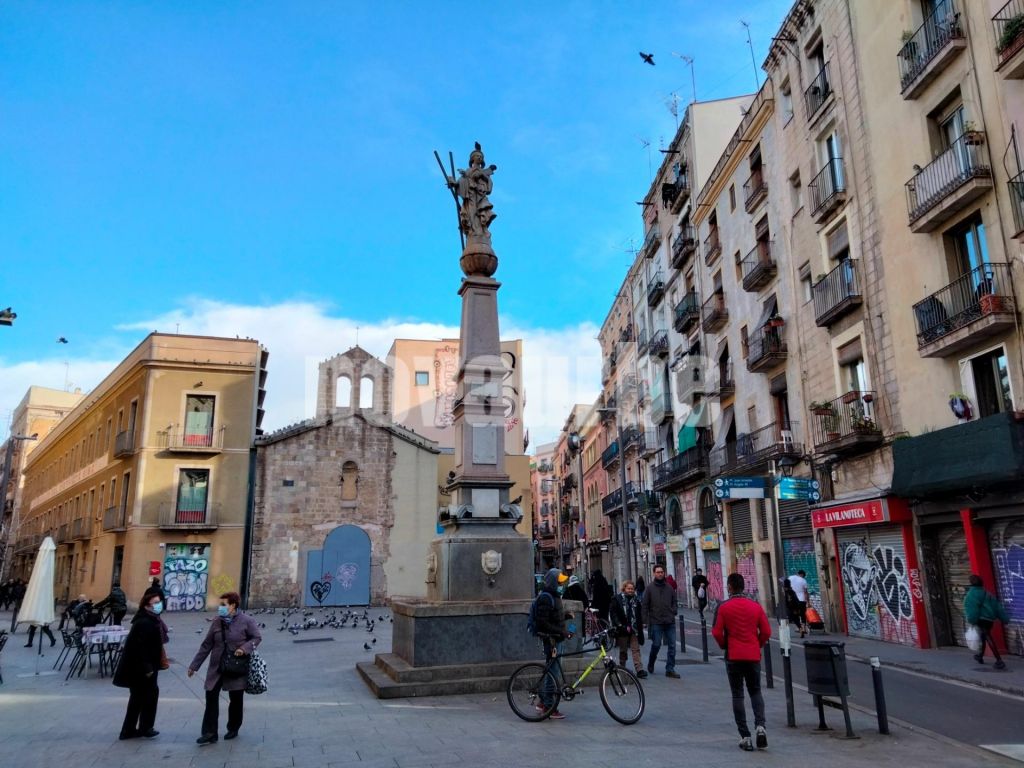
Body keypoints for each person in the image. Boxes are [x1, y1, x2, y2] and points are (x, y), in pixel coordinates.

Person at [188, 592, 262, 744]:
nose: (220, 608)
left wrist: (244, 648)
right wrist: (194, 666)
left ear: (233, 605)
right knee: (211, 696)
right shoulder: (217, 622)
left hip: (236, 666)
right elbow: (207, 644)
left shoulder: (247, 621)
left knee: (235, 699)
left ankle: (233, 727)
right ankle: (210, 733)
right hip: (217, 666)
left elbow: (257, 637)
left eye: (223, 605)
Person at [712, 572, 771, 751]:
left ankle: (745, 736)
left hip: (734, 657)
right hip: (753, 656)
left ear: (729, 587)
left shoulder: (724, 607)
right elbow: (767, 631)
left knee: (738, 695)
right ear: (743, 586)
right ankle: (760, 726)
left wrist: (725, 645)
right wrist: (757, 644)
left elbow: (716, 632)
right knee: (755, 692)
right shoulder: (755, 606)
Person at [113, 592, 165, 740]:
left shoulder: (149, 619)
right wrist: (148, 667)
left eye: (159, 601)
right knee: (142, 697)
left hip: (144, 667)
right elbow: (140, 647)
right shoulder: (144, 622)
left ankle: (138, 728)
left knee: (142, 697)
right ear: (146, 606)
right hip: (142, 669)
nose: (158, 604)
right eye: (155, 602)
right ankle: (139, 729)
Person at [533, 568, 570, 720]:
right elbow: (543, 622)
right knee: (553, 672)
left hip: (556, 638)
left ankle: (543, 702)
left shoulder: (554, 596)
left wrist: (565, 616)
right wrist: (561, 632)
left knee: (550, 671)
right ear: (553, 582)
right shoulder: (546, 597)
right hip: (552, 640)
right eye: (559, 581)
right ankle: (549, 706)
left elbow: (551, 616)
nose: (561, 584)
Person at [964, 574, 1009, 670]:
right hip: (990, 620)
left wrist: (972, 620)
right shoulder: (987, 593)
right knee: (983, 637)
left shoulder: (971, 595)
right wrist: (1004, 619)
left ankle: (999, 660)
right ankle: (980, 656)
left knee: (987, 636)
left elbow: (972, 610)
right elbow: (997, 607)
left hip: (981, 619)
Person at [642, 565, 679, 678]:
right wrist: (645, 621)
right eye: (658, 572)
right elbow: (645, 605)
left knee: (672, 646)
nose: (660, 574)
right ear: (654, 573)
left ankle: (670, 669)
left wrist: (674, 611)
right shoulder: (649, 588)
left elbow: (674, 601)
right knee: (656, 644)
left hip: (669, 620)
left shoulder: (669, 588)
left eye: (662, 572)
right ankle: (651, 662)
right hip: (656, 621)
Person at [609, 580, 646, 678]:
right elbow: (613, 614)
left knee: (636, 649)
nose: (630, 590)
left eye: (632, 589)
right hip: (622, 628)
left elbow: (639, 614)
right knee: (623, 650)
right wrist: (619, 625)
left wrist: (642, 623)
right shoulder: (617, 599)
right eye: (628, 588)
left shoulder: (637, 600)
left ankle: (639, 669)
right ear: (624, 589)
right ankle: (622, 667)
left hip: (634, 629)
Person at [788, 570, 810, 637]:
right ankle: (803, 628)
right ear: (802, 574)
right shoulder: (803, 580)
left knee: (795, 616)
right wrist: (808, 601)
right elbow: (805, 592)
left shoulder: (790, 578)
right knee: (803, 615)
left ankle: (799, 627)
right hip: (802, 600)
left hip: (793, 601)